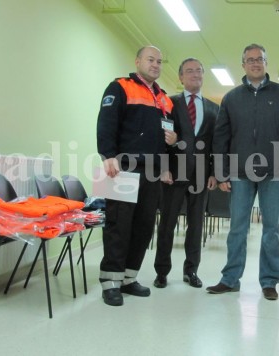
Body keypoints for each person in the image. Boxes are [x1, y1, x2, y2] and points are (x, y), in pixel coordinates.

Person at [207, 43, 279, 301]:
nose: (255, 63)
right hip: (239, 173)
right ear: (243, 65)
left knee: (271, 228)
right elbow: (221, 139)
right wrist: (221, 173)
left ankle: (269, 281)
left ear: (266, 62)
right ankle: (230, 279)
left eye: (259, 59)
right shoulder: (231, 98)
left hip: (274, 173)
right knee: (237, 227)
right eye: (250, 60)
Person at [96, 46, 177, 306]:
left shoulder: (164, 98)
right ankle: (111, 281)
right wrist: (107, 154)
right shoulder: (120, 87)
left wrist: (172, 146)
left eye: (159, 61)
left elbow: (167, 137)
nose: (155, 64)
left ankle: (129, 278)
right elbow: (106, 122)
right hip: (123, 168)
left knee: (143, 227)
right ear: (138, 61)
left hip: (153, 172)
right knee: (119, 225)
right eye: (150, 59)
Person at [153, 58, 219, 289]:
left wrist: (215, 173)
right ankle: (162, 271)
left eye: (199, 71)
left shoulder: (213, 108)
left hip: (202, 175)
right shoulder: (169, 103)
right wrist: (163, 168)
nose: (195, 74)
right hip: (173, 173)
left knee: (196, 224)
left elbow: (216, 144)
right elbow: (160, 139)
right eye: (189, 71)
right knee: (167, 224)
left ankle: (191, 270)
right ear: (181, 77)